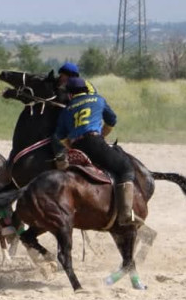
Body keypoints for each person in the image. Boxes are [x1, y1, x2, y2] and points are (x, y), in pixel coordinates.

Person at [52, 77, 136, 226]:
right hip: (95, 142)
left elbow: (60, 135)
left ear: (70, 95)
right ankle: (125, 213)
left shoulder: (67, 109)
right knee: (125, 168)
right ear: (85, 90)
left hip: (77, 147)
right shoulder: (98, 99)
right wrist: (102, 135)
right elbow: (112, 120)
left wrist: (70, 147)